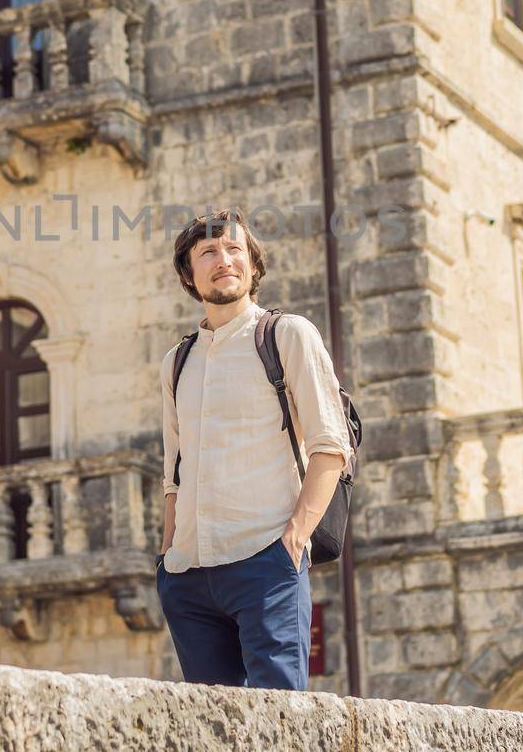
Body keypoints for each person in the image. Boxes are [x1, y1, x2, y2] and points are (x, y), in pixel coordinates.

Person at [156, 209, 354, 690]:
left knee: (282, 725)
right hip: (188, 575)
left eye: (233, 249)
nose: (223, 259)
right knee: (210, 733)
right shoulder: (176, 361)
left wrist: (293, 541)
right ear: (189, 272)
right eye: (208, 252)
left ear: (252, 264)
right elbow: (174, 476)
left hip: (266, 560)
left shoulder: (286, 335)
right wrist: (167, 560)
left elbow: (332, 446)